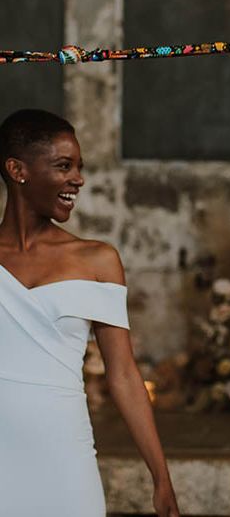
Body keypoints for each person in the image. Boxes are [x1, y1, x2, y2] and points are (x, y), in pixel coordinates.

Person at [0, 109, 179, 517]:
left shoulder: (97, 260)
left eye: (79, 167)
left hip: (64, 453)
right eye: (64, 166)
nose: (78, 178)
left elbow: (124, 375)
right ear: (18, 170)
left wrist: (161, 477)